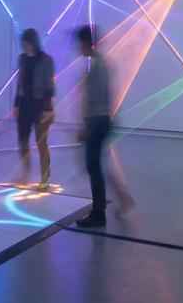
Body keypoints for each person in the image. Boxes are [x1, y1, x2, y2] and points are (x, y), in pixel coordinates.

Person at [74, 25, 133, 228]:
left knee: (93, 166)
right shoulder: (99, 64)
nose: (78, 48)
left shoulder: (98, 67)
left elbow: (97, 100)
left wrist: (87, 127)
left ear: (85, 43)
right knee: (98, 165)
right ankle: (123, 199)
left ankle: (98, 214)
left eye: (79, 43)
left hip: (97, 122)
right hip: (100, 121)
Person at [14, 28, 56, 188]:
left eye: (26, 43)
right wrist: (16, 105)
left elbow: (49, 86)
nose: (24, 46)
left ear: (33, 42)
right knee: (23, 141)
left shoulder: (46, 60)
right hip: (24, 105)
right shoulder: (22, 59)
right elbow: (19, 83)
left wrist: (48, 109)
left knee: (41, 142)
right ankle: (25, 173)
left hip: (40, 105)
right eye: (23, 43)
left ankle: (45, 178)